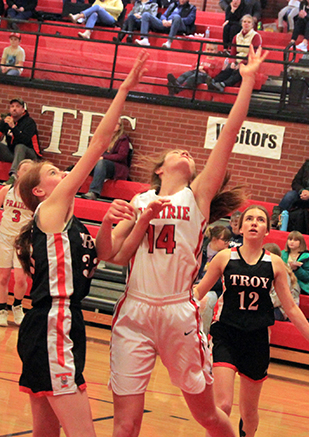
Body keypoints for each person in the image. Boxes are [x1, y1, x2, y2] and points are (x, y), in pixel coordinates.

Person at [96, 46, 268, 437]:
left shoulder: (197, 196)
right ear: (159, 168)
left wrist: (246, 82)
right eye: (177, 150)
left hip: (179, 312)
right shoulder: (139, 200)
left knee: (207, 416)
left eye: (190, 153)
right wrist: (109, 221)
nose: (187, 152)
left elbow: (229, 134)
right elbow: (110, 256)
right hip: (135, 311)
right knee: (125, 424)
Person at [13, 51, 160, 437]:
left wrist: (114, 223)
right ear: (42, 190)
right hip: (53, 322)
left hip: (61, 323)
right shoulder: (48, 210)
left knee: (46, 433)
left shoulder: (69, 226)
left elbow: (107, 256)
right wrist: (125, 88)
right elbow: (96, 147)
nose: (62, 172)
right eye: (53, 172)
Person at [194, 205, 309, 437]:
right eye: (249, 218)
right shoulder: (225, 257)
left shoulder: (274, 264)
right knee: (222, 405)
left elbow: (290, 307)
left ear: (267, 231)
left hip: (257, 338)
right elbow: (198, 292)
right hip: (225, 334)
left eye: (260, 220)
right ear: (240, 228)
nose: (253, 222)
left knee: (249, 413)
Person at [0, 159, 33, 328]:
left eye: (30, 171)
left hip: (23, 240)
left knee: (21, 279)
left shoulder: (34, 196)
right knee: (3, 277)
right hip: (4, 237)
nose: (26, 173)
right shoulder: (6, 190)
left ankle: (18, 305)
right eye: (24, 170)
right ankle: (1, 310)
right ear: (18, 172)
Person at [271, 144, 309, 235]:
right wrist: (302, 191)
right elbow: (295, 182)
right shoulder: (308, 165)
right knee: (290, 195)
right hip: (302, 194)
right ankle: (275, 220)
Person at [206, 15, 262, 93]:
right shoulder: (236, 36)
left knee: (241, 71)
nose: (246, 24)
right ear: (241, 23)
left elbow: (253, 53)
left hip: (249, 61)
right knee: (228, 69)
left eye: (249, 22)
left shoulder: (256, 36)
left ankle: (223, 84)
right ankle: (213, 82)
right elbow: (233, 52)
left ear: (252, 25)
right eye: (244, 22)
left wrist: (241, 63)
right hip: (237, 59)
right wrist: (232, 62)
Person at [81, 118, 131, 200]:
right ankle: (74, 187)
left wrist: (104, 157)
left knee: (101, 163)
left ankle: (94, 192)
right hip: (101, 163)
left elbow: (121, 156)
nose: (114, 125)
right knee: (86, 162)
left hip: (116, 167)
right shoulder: (104, 137)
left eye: (116, 123)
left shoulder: (123, 139)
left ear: (120, 127)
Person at [197, 225, 231, 336]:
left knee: (204, 301)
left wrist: (203, 285)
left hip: (214, 289)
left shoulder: (227, 256)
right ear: (214, 239)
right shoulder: (199, 250)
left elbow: (222, 281)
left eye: (228, 240)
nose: (228, 243)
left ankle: (203, 336)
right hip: (194, 285)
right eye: (224, 240)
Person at [0, 98, 42, 185]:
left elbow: (24, 140)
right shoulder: (7, 120)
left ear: (23, 109)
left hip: (30, 155)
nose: (14, 109)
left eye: (17, 107)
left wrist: (13, 128)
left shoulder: (29, 122)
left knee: (20, 146)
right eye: (12, 106)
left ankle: (14, 176)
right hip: (14, 155)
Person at [263, 242, 300, 321]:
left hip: (280, 309)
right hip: (267, 305)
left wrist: (260, 304)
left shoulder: (283, 273)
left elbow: (278, 299)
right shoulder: (263, 270)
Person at [281, 230, 309, 296]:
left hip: (298, 285)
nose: (292, 242)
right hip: (282, 282)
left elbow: (307, 277)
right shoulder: (282, 254)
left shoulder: (306, 256)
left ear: (301, 243)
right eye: (290, 239)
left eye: (295, 240)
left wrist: (297, 269)